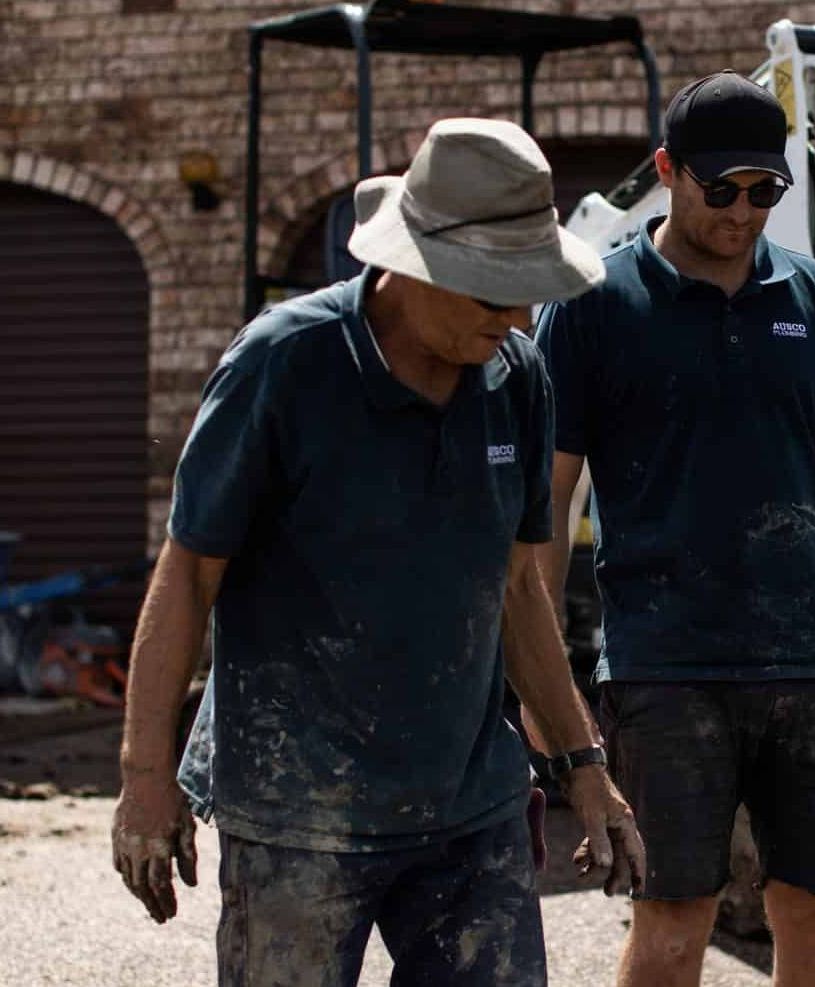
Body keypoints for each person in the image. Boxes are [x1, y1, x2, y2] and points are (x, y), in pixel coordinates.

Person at [110, 118, 644, 987]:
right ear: (414, 263)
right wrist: (143, 775)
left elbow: (517, 588)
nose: (516, 317)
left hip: (470, 802)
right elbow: (188, 575)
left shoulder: (517, 376)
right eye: (493, 292)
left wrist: (584, 766)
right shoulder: (283, 366)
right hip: (299, 811)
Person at [534, 73, 815, 987]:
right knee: (673, 921)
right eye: (721, 188)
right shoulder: (592, 308)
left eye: (765, 191)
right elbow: (546, 505)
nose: (744, 210)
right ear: (667, 171)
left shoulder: (814, 301)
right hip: (665, 668)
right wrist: (543, 690)